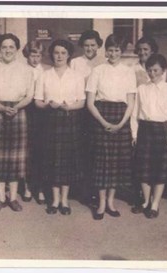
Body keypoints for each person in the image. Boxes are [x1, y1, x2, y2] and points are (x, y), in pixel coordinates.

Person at [0, 33, 34, 212]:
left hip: (18, 112)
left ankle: (12, 198)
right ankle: (1, 198)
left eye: (11, 47)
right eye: (4, 47)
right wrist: (1, 108)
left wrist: (17, 107)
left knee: (15, 157)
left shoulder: (26, 70)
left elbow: (30, 95)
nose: (8, 50)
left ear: (17, 49)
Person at [86, 34, 137, 220]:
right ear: (105, 50)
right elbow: (90, 103)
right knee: (102, 163)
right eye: (110, 50)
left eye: (117, 50)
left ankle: (110, 202)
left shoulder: (128, 71)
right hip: (101, 116)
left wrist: (121, 124)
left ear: (121, 52)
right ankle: (100, 204)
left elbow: (131, 102)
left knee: (115, 163)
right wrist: (104, 123)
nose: (113, 53)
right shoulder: (98, 71)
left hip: (121, 117)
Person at [35, 39, 86, 215]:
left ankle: (65, 200)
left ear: (69, 55)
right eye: (56, 53)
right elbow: (37, 101)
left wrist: (68, 107)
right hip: (50, 120)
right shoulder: (45, 75)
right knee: (53, 162)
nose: (59, 56)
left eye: (63, 53)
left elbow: (81, 102)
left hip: (70, 119)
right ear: (52, 55)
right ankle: (55, 200)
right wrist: (48, 104)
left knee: (67, 162)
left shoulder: (76, 76)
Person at [130, 53, 167, 219]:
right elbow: (135, 114)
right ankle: (146, 200)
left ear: (163, 70)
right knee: (144, 168)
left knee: (160, 170)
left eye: (156, 70)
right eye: (149, 70)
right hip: (144, 130)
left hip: (162, 132)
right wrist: (134, 134)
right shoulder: (141, 89)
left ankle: (155, 203)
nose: (152, 74)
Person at [70, 30, 105, 205]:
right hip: (79, 109)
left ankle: (96, 189)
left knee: (96, 150)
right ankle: (81, 189)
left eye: (93, 45)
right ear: (82, 46)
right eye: (86, 45)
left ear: (99, 45)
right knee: (80, 149)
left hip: (97, 108)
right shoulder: (76, 63)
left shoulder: (104, 62)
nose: (90, 48)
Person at [22, 40, 47, 205]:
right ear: (27, 55)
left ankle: (40, 188)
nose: (35, 59)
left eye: (38, 55)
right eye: (32, 55)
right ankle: (27, 187)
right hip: (25, 110)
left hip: (41, 113)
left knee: (41, 151)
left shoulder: (45, 71)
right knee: (26, 151)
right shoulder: (21, 70)